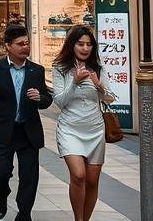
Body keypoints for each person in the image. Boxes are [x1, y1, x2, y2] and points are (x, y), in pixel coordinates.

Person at [0, 24, 52, 221]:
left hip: (28, 132)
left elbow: (47, 100)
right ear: (8, 46)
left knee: (30, 176)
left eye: (27, 43)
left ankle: (24, 213)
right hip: (2, 132)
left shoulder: (36, 71)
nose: (25, 47)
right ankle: (1, 193)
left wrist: (41, 98)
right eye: (20, 44)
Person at [51, 25, 116, 221]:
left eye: (89, 44)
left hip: (95, 129)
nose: (85, 48)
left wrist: (98, 84)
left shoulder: (98, 68)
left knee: (92, 181)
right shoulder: (60, 67)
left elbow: (110, 98)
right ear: (72, 45)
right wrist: (75, 82)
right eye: (81, 44)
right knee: (78, 176)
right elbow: (60, 101)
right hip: (70, 128)